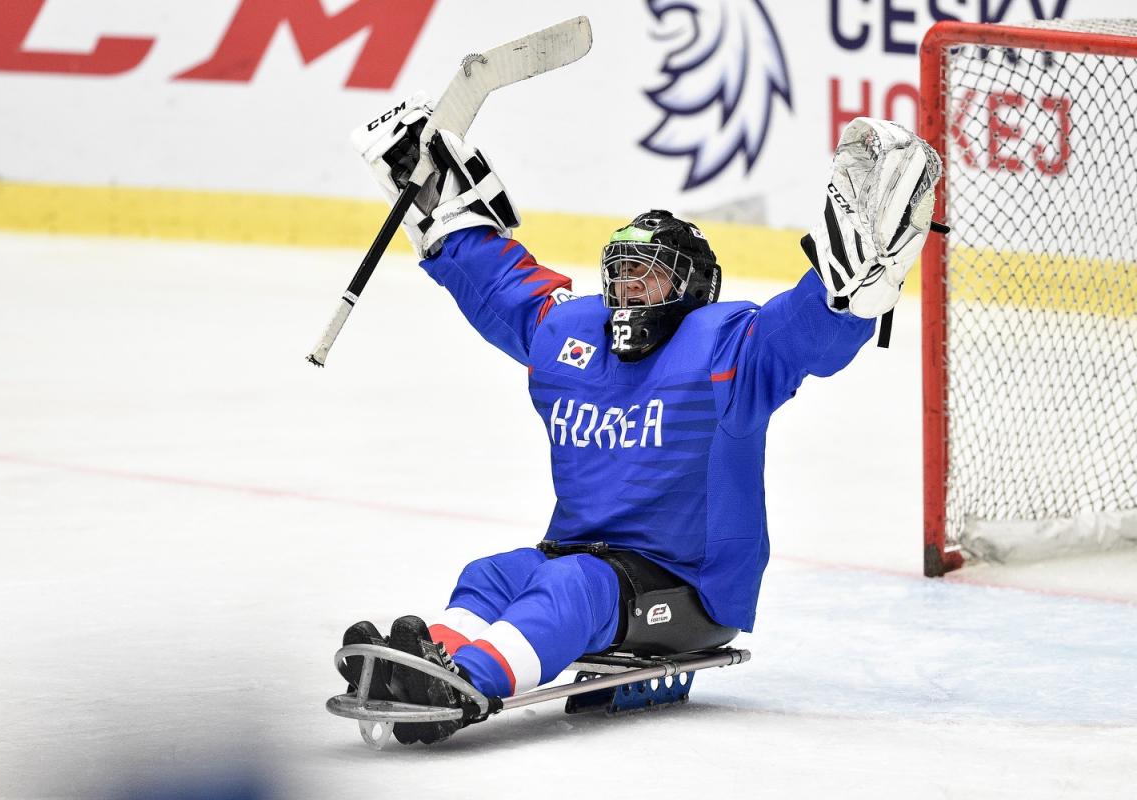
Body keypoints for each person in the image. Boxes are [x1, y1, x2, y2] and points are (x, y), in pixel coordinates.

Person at [338, 94, 941, 745]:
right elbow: (500, 287)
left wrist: (843, 292)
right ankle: (427, 665)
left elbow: (800, 336)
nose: (629, 292)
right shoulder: (574, 335)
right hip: (588, 561)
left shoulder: (728, 351)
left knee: (573, 584)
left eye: (648, 279)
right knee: (493, 573)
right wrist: (439, 203)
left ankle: (469, 680)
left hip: (691, 589)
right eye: (621, 277)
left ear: (692, 289)